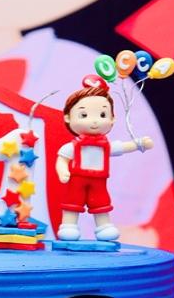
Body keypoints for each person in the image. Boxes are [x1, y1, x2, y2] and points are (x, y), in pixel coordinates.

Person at [56, 80, 153, 242]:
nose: (94, 121)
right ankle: (68, 226)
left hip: (99, 181)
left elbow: (123, 147)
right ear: (67, 117)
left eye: (102, 115)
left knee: (101, 203)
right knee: (72, 202)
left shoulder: (105, 146)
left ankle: (104, 227)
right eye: (84, 115)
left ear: (112, 118)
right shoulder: (73, 146)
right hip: (77, 180)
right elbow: (62, 159)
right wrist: (63, 171)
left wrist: (139, 144)